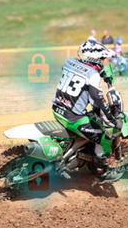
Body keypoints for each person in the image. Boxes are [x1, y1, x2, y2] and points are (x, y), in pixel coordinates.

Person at [52, 39, 124, 182]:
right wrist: (113, 122)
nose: (102, 62)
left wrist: (98, 70)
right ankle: (102, 172)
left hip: (57, 108)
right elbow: (98, 104)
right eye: (101, 60)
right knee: (104, 137)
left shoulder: (69, 61)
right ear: (94, 60)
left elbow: (79, 72)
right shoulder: (93, 76)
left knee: (91, 118)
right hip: (73, 118)